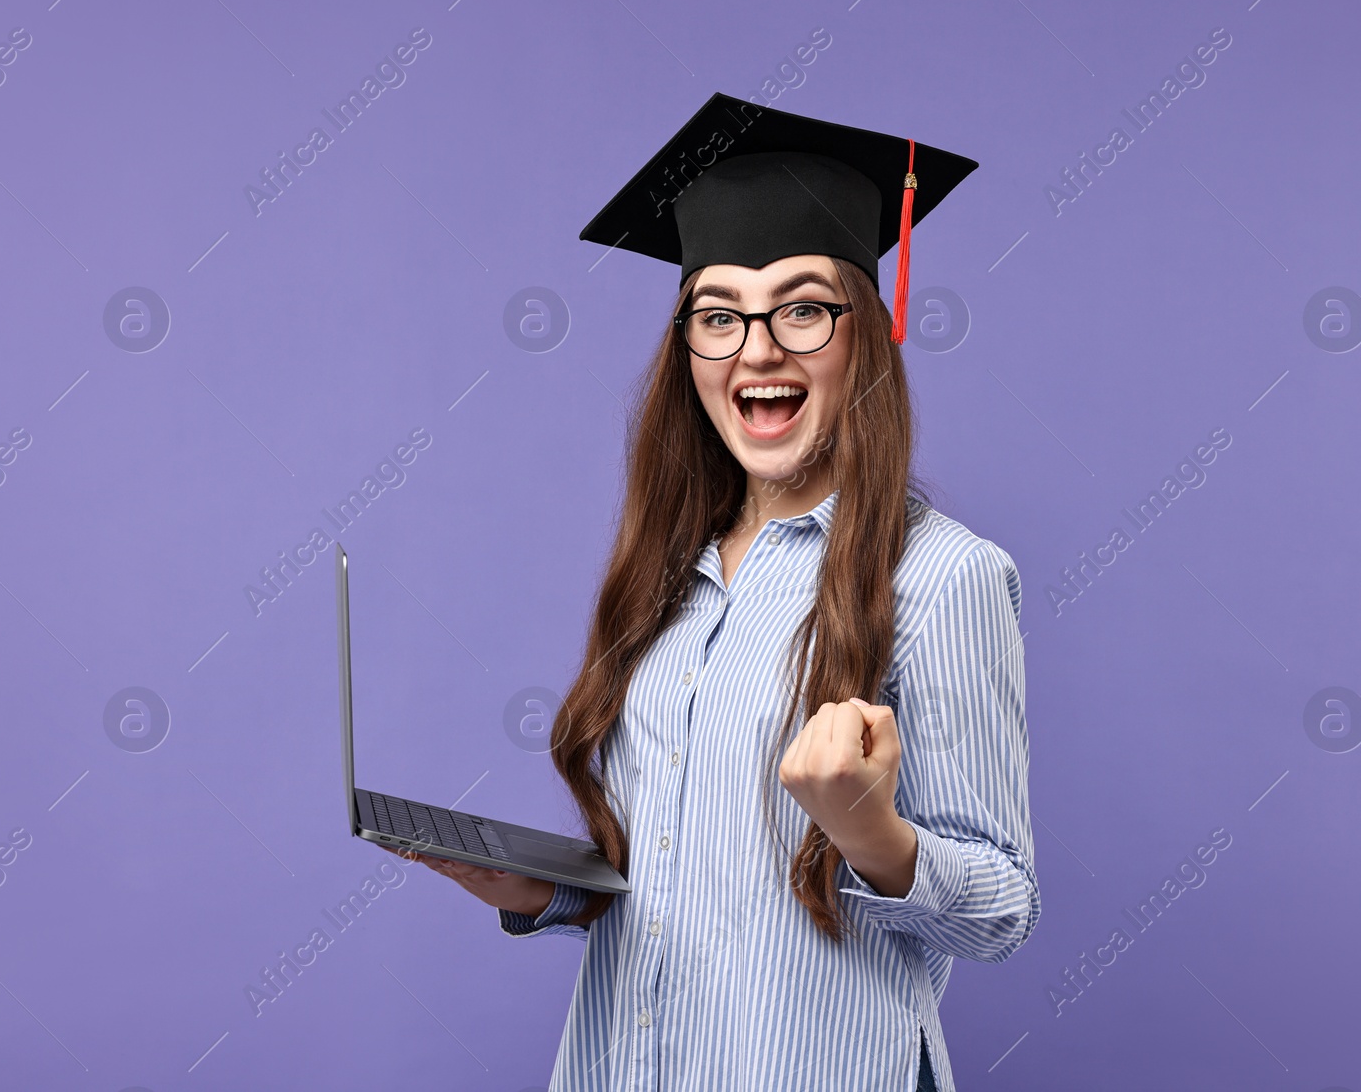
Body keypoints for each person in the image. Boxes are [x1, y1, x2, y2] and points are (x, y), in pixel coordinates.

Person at [396, 93, 1040, 1092]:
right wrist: (546, 891)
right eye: (718, 316)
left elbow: (999, 910)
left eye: (801, 308)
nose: (756, 349)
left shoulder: (943, 576)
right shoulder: (665, 573)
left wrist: (868, 832)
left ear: (865, 331)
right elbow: (669, 870)